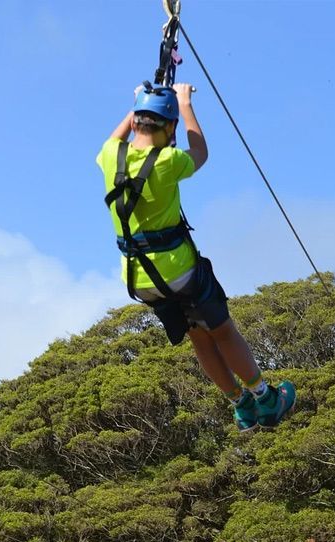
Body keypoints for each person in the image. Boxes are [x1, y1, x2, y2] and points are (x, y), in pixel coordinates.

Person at [96, 82, 295, 432]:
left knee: (198, 337)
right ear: (169, 127)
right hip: (177, 271)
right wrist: (185, 103)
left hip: (139, 278)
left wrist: (140, 100)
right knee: (222, 331)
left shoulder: (111, 155)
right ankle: (265, 397)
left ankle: (239, 404)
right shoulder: (168, 161)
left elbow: (121, 132)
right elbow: (200, 151)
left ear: (137, 121)